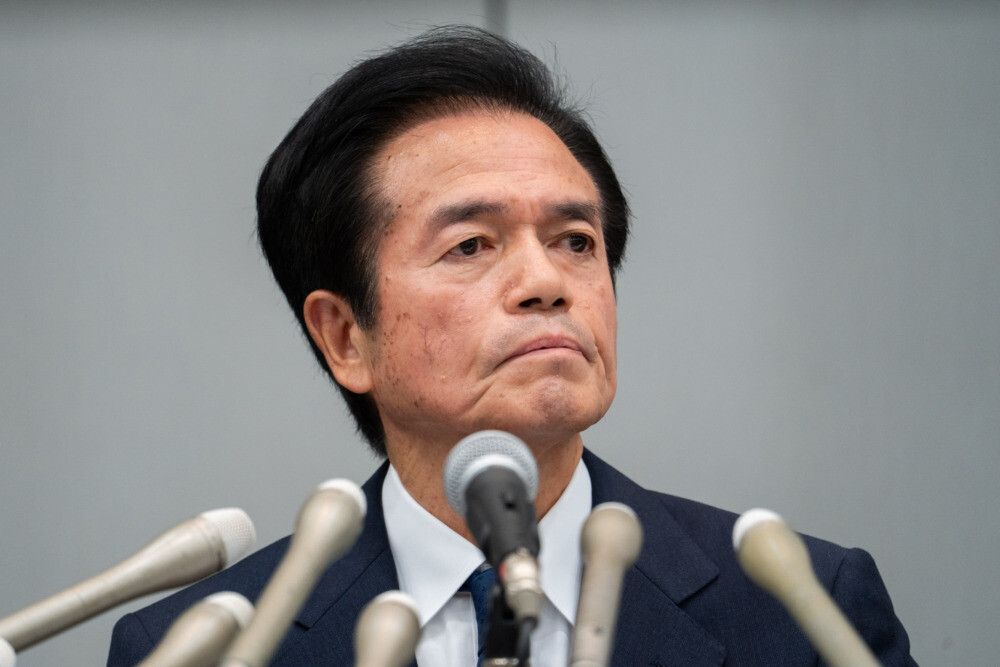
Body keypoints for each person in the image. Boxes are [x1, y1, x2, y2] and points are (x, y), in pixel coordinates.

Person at [107, 26, 914, 666]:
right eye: (471, 245)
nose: (546, 281)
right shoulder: (203, 647)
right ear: (346, 336)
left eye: (574, 240)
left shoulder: (803, 612)